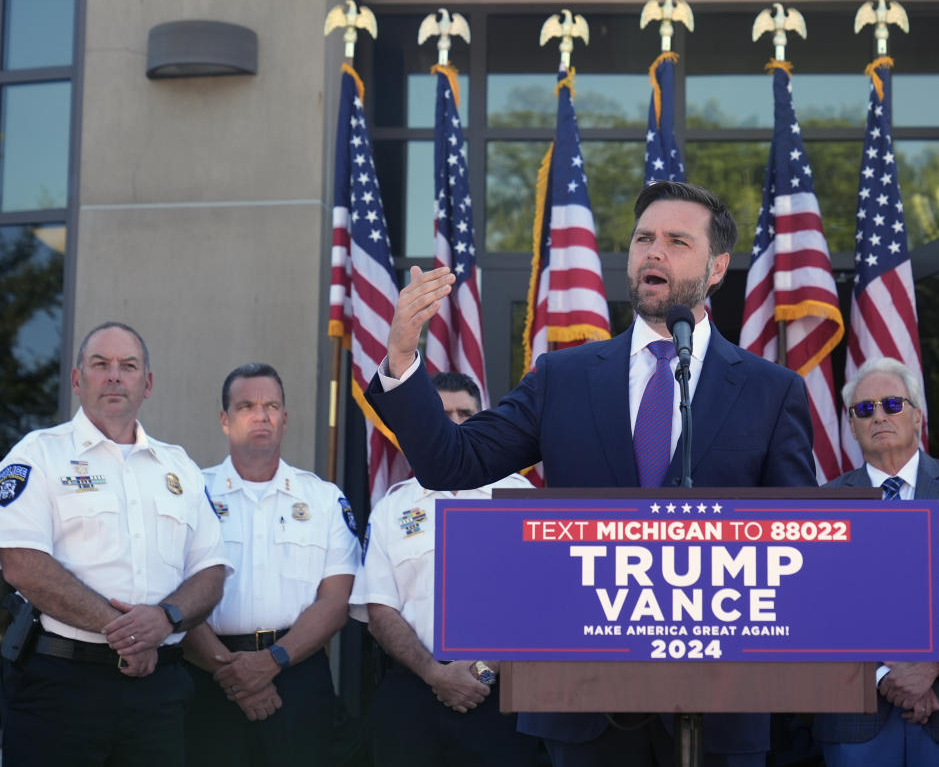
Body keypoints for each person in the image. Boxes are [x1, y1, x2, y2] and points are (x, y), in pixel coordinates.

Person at [366, 180, 817, 766]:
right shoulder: (564, 377)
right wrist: (402, 356)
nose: (654, 252)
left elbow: (798, 542)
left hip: (721, 708)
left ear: (717, 268)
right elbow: (451, 462)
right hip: (586, 711)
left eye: (677, 241)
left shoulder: (771, 391)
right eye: (644, 239)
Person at [0, 322, 229, 767]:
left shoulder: (178, 466)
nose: (113, 376)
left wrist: (165, 619)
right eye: (99, 364)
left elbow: (211, 570)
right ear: (76, 379)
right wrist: (129, 636)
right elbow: (21, 564)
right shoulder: (36, 455)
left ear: (147, 383)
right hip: (59, 687)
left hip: (158, 693)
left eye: (127, 366)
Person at [813, 357, 939, 767]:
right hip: (858, 712)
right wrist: (887, 676)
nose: (878, 415)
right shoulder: (827, 502)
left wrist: (930, 665)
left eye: (892, 405)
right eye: (864, 409)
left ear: (918, 416)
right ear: (851, 425)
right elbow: (822, 609)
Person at [352, 371, 540, 766]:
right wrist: (435, 676)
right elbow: (380, 608)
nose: (455, 424)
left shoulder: (520, 497)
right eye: (442, 414)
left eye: (466, 414)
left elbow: (541, 603)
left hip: (501, 697)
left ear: (484, 418)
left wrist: (484, 673)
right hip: (415, 695)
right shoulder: (392, 508)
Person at [181, 363, 359, 766]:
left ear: (284, 419)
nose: (261, 415)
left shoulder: (323, 499)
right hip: (209, 675)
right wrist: (233, 675)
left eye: (271, 405)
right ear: (225, 420)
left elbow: (336, 602)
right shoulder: (192, 492)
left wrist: (271, 662)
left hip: (297, 676)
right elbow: (173, 593)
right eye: (246, 406)